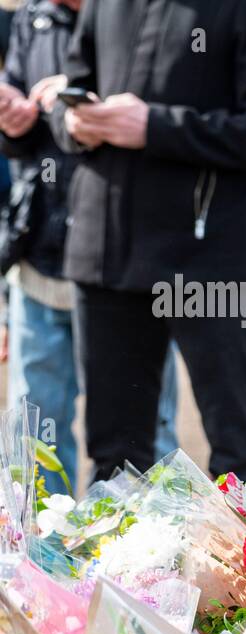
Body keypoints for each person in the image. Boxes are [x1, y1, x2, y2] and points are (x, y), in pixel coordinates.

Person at [49, 0, 246, 490]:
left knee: (241, 453)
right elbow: (72, 92)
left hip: (211, 262)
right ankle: (122, 570)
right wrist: (72, 125)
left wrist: (155, 127)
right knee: (115, 464)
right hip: (106, 256)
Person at [0, 0, 178, 493]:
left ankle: (152, 556)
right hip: (44, 260)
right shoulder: (33, 20)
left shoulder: (150, 14)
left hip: (126, 262)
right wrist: (12, 121)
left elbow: (160, 112)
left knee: (145, 424)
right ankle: (44, 557)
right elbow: (23, 135)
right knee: (36, 430)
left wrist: (77, 99)